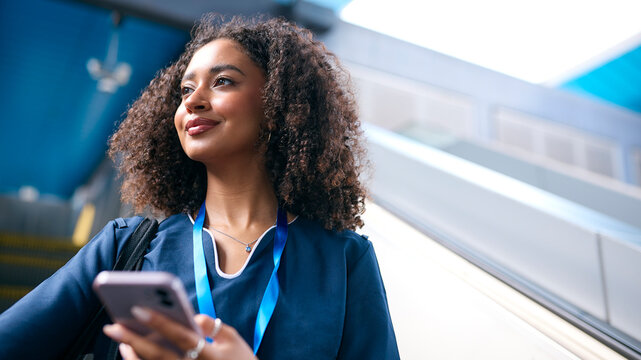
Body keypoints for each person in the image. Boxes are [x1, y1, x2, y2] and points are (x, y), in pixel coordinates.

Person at [0, 14, 399, 360]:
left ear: (278, 105)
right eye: (186, 90)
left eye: (222, 81)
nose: (193, 102)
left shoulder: (344, 260)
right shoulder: (127, 246)